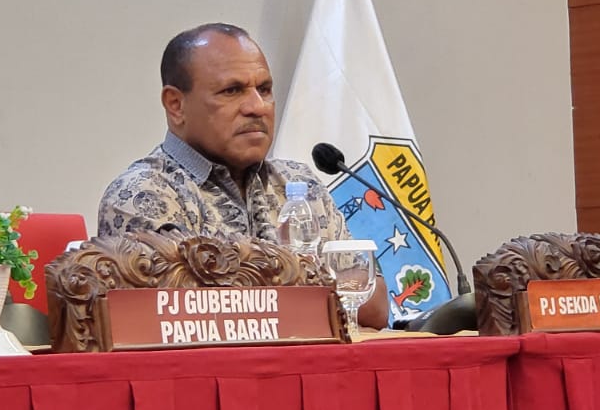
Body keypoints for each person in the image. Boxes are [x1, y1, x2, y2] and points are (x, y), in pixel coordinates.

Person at [98, 22, 388, 328]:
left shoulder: (299, 183)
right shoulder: (142, 194)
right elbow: (192, 314)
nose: (257, 107)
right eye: (232, 91)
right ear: (176, 105)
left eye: (264, 89)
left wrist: (264, 287)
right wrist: (316, 284)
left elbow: (373, 301)